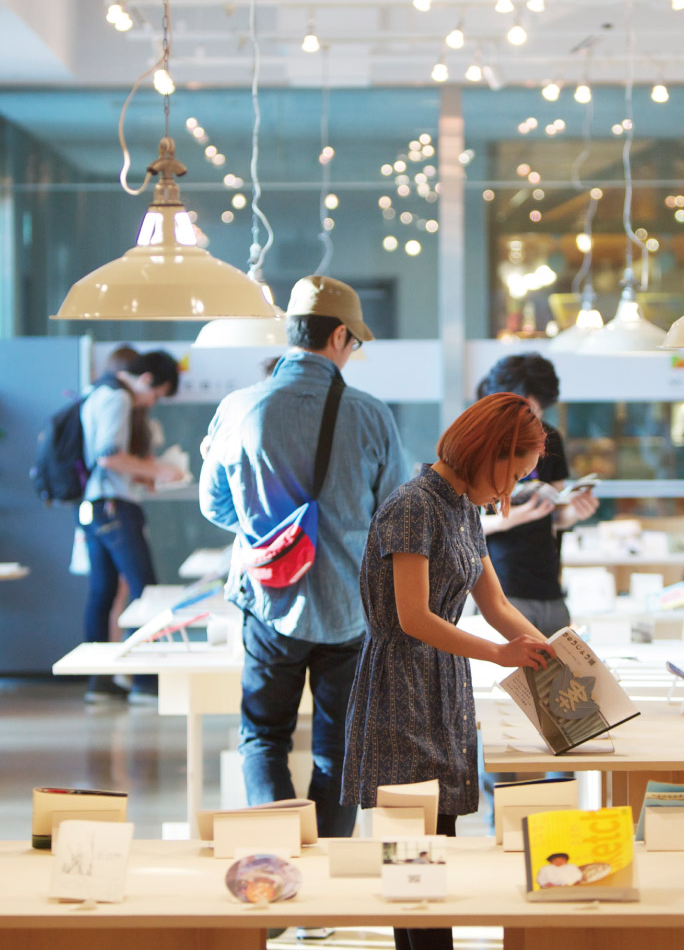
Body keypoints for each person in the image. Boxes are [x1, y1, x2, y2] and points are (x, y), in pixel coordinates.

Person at [342, 393, 555, 950]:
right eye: (515, 473)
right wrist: (500, 655)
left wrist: (552, 652)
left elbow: (497, 605)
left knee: (437, 847)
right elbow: (413, 618)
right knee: (414, 861)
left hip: (442, 684)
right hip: (401, 690)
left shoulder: (462, 506)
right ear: (489, 451)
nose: (510, 491)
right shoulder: (413, 506)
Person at [200, 275, 408, 839]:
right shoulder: (371, 416)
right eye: (354, 342)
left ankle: (280, 866)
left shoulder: (240, 407)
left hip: (269, 599)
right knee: (338, 746)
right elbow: (393, 515)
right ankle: (323, 887)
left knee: (263, 737)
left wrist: (268, 524)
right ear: (339, 335)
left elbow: (216, 506)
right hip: (348, 610)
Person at [79, 349, 183, 704]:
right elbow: (108, 455)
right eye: (156, 395)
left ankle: (100, 683)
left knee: (103, 592)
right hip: (116, 507)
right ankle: (145, 680)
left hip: (94, 508)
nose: (151, 402)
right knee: (145, 591)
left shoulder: (97, 392)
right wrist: (160, 471)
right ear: (147, 379)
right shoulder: (117, 398)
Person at [478, 353, 599, 637]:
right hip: (504, 583)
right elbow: (464, 526)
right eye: (525, 410)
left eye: (538, 411)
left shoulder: (551, 438)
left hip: (549, 584)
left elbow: (558, 516)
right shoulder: (484, 441)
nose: (533, 420)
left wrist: (576, 511)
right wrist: (514, 517)